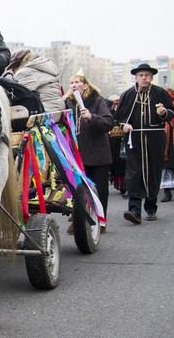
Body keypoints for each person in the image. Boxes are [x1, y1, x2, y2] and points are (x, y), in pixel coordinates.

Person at [114, 63, 174, 224]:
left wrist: (164, 113)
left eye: (147, 75)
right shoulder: (127, 95)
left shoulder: (160, 93)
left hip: (155, 140)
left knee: (153, 172)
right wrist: (123, 125)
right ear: (136, 77)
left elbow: (171, 114)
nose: (144, 78)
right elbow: (117, 118)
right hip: (134, 140)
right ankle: (134, 210)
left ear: (152, 77)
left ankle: (151, 207)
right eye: (141, 75)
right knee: (134, 174)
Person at [63, 70, 114, 233]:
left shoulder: (97, 101)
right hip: (77, 156)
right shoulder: (68, 103)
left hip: (98, 154)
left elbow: (108, 122)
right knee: (78, 191)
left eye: (78, 82)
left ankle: (101, 220)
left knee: (99, 191)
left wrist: (92, 117)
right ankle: (80, 221)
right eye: (72, 83)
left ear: (85, 86)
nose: (74, 85)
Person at [2, 49, 65, 115]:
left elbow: (20, 96)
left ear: (17, 65)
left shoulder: (26, 72)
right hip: (56, 110)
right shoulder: (44, 68)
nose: (12, 72)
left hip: (46, 112)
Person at [107, 95, 127, 197]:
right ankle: (120, 185)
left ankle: (126, 186)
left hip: (123, 141)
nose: (116, 103)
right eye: (114, 102)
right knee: (116, 164)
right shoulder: (109, 112)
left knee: (124, 164)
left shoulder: (125, 111)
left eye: (118, 101)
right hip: (113, 142)